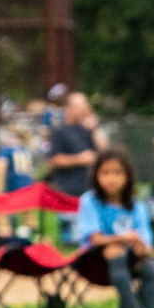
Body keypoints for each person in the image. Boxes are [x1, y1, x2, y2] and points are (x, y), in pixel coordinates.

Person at [76, 148, 154, 308]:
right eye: (105, 172)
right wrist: (123, 238)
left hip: (129, 264)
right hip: (95, 263)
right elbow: (94, 239)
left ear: (127, 176)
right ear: (96, 176)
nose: (111, 179)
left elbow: (147, 245)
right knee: (114, 250)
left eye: (118, 172)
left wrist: (141, 247)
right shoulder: (89, 201)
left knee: (148, 265)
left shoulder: (138, 207)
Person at [46, 91, 107, 240]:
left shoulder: (87, 130)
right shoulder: (59, 131)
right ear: (69, 108)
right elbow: (53, 160)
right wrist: (79, 159)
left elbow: (105, 151)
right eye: (80, 106)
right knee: (72, 239)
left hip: (90, 190)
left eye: (86, 105)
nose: (84, 109)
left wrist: (94, 128)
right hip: (69, 192)